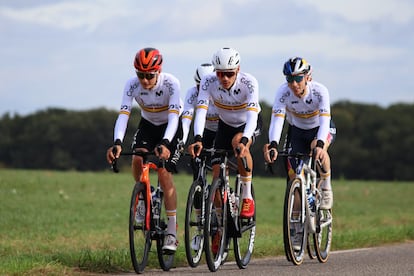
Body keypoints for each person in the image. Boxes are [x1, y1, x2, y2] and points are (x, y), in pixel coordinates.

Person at [106, 47, 183, 252]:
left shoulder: (171, 83)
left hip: (170, 126)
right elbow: (124, 114)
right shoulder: (131, 85)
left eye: (149, 75)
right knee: (138, 159)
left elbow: (175, 117)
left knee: (164, 172)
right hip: (148, 125)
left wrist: (166, 143)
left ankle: (173, 232)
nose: (145, 80)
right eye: (140, 75)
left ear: (158, 71)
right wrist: (117, 142)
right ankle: (143, 195)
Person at [188, 47, 262, 220]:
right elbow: (201, 112)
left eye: (229, 74)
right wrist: (198, 138)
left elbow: (252, 116)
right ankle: (221, 227)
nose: (225, 78)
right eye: (220, 74)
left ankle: (247, 196)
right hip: (225, 125)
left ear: (238, 70)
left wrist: (245, 140)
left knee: (238, 143)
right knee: (216, 176)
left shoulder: (249, 82)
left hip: (247, 124)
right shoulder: (208, 82)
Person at [263, 57, 336, 210]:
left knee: (318, 149)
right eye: (290, 79)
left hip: (320, 128)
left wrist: (321, 144)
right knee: (294, 177)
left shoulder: (320, 91)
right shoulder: (283, 93)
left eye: (298, 78)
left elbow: (324, 121)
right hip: (297, 130)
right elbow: (277, 121)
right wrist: (274, 144)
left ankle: (326, 187)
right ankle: (296, 227)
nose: (294, 84)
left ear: (307, 77)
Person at [182, 63, 219, 178]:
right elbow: (186, 120)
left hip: (224, 130)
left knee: (219, 161)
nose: (204, 90)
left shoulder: (221, 93)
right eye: (200, 86)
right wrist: (181, 142)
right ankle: (199, 188)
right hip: (208, 130)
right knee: (196, 158)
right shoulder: (192, 94)